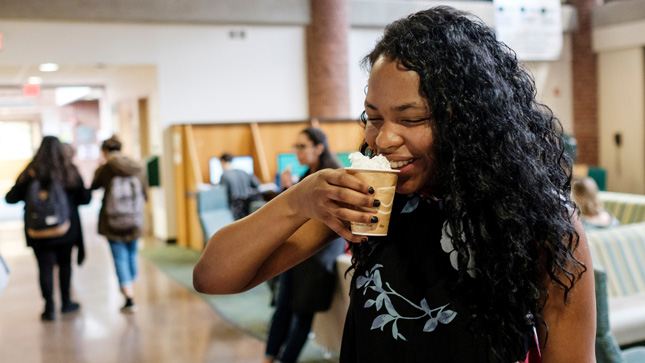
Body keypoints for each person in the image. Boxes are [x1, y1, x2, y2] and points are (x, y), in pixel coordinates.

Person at [193, 6, 596, 362]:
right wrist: (298, 199)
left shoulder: (543, 226)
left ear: (469, 120)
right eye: (373, 117)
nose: (383, 139)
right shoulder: (369, 201)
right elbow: (213, 276)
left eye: (412, 119)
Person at [263, 127, 346, 363]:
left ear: (318, 148)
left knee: (302, 313)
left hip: (318, 256)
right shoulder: (306, 175)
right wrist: (288, 189)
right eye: (295, 147)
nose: (296, 152)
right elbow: (297, 214)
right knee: (282, 308)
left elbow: (323, 219)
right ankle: (268, 357)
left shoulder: (331, 176)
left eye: (301, 146)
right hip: (296, 252)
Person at [5, 136, 91, 321]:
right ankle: (66, 302)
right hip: (66, 229)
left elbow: (10, 198)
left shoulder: (31, 171)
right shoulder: (68, 170)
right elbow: (85, 198)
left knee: (44, 267)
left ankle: (49, 307)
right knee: (65, 265)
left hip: (37, 230)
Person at [91, 135, 147, 313]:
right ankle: (131, 283)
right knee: (132, 252)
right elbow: (144, 193)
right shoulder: (137, 166)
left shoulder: (105, 168)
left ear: (105, 151)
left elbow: (93, 186)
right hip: (134, 218)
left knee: (119, 256)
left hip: (112, 220)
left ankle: (128, 296)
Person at [219, 152, 261, 220]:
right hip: (247, 208)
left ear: (222, 162)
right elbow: (257, 185)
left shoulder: (224, 175)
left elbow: (222, 195)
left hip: (234, 211)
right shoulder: (243, 171)